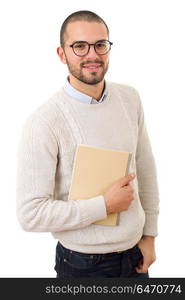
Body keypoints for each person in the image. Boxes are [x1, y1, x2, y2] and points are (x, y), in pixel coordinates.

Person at [16, 10, 159, 278]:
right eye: (79, 46)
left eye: (100, 45)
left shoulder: (130, 98)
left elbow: (145, 167)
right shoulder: (44, 121)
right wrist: (104, 205)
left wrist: (150, 234)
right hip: (82, 265)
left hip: (135, 257)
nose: (92, 55)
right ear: (62, 54)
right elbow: (30, 214)